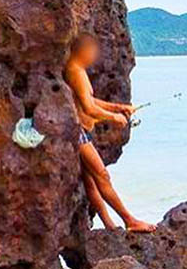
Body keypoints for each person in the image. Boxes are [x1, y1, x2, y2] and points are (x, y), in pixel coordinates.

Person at [64, 33, 155, 232]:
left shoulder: (79, 70)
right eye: (93, 51)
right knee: (102, 175)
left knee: (91, 182)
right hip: (78, 132)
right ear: (83, 50)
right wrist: (114, 118)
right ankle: (129, 220)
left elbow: (90, 100)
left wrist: (118, 107)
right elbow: (88, 108)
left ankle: (109, 225)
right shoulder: (74, 70)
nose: (95, 56)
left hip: (84, 131)